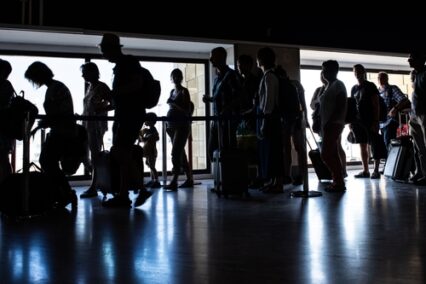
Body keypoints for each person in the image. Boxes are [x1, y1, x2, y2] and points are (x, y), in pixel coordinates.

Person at [98, 33, 152, 207]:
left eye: (103, 49)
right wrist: (108, 105)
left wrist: (112, 94)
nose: (102, 53)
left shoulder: (127, 63)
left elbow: (134, 87)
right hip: (127, 114)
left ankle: (129, 193)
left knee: (121, 152)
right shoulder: (123, 65)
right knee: (123, 153)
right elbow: (128, 94)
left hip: (129, 116)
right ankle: (129, 192)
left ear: (110, 49)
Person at [24, 61, 77, 208]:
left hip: (61, 131)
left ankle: (65, 194)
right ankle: (64, 194)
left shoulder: (55, 89)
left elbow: (57, 114)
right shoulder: (56, 87)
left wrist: (39, 126)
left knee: (47, 161)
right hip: (62, 130)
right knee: (49, 162)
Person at [79, 62, 113, 198]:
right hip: (87, 124)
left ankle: (94, 186)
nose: (83, 75)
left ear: (92, 72)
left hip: (96, 126)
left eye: (85, 72)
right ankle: (96, 182)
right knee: (85, 154)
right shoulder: (90, 87)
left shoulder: (102, 87)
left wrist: (102, 110)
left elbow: (114, 103)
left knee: (95, 156)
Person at [203, 47, 242, 160]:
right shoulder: (217, 78)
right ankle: (220, 176)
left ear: (221, 58)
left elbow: (240, 96)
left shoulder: (231, 75)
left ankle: (227, 176)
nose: (210, 59)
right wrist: (210, 99)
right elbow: (219, 98)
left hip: (228, 122)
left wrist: (227, 109)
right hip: (216, 120)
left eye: (213, 56)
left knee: (227, 151)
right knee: (212, 152)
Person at [256, 47, 283, 193]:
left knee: (273, 151)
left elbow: (268, 101)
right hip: (271, 118)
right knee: (271, 151)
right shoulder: (270, 75)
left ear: (261, 60)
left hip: (270, 118)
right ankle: (273, 181)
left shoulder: (269, 77)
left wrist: (264, 122)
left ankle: (277, 183)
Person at [319, 60, 348, 191]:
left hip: (334, 124)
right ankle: (338, 182)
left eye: (325, 69)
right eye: (322, 69)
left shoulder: (338, 85)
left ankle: (338, 180)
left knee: (325, 154)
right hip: (327, 124)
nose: (323, 72)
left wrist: (331, 121)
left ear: (333, 71)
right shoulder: (327, 86)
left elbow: (341, 105)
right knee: (333, 153)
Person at [163, 68, 194, 191]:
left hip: (181, 126)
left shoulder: (184, 91)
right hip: (172, 126)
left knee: (176, 153)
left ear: (181, 78)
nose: (176, 78)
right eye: (174, 76)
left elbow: (186, 110)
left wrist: (173, 103)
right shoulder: (172, 91)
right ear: (171, 79)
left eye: (178, 76)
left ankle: (174, 180)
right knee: (181, 153)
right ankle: (189, 178)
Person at [351, 64, 382, 179]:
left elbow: (376, 104)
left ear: (364, 72)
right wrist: (351, 122)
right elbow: (352, 106)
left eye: (359, 71)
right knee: (362, 146)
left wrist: (376, 121)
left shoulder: (370, 86)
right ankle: (365, 171)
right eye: (355, 71)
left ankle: (376, 170)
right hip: (358, 121)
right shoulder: (354, 88)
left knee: (374, 145)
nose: (357, 73)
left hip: (370, 120)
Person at [377, 71, 411, 149]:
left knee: (389, 143)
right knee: (384, 145)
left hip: (391, 121)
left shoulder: (392, 89)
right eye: (379, 77)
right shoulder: (377, 92)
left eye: (382, 77)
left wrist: (394, 109)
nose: (380, 79)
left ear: (387, 79)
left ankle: (392, 160)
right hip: (381, 123)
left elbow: (404, 99)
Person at [408, 52, 426, 185]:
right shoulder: (416, 74)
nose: (409, 61)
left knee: (424, 145)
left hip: (424, 114)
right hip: (415, 115)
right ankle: (421, 172)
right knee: (418, 147)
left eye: (412, 59)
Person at [0, 59, 14, 184]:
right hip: (4, 129)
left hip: (2, 129)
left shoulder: (4, 85)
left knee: (3, 160)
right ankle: (7, 187)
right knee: (4, 160)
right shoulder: (6, 85)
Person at [139, 112, 161, 188]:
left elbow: (147, 139)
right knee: (150, 165)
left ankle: (156, 180)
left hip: (151, 150)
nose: (145, 122)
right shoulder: (150, 130)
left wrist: (141, 135)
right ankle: (153, 180)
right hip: (149, 150)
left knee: (152, 165)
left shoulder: (152, 130)